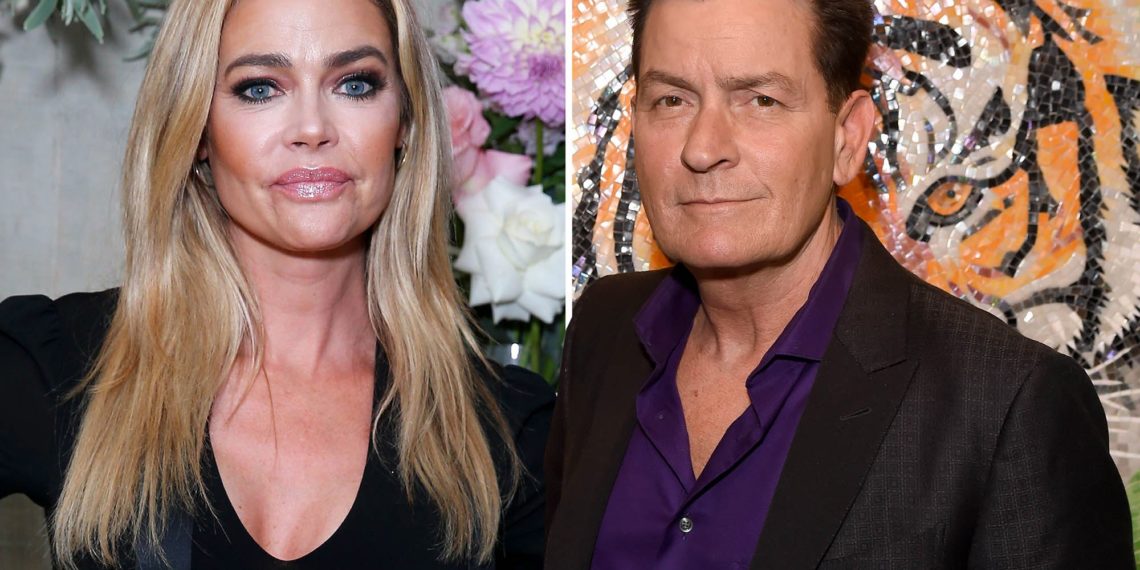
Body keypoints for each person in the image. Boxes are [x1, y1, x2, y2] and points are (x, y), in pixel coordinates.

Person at [544, 0, 1133, 567]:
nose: (702, 149)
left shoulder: (1008, 407)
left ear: (847, 138)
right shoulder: (603, 331)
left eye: (762, 100)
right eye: (671, 99)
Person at [0, 0, 553, 568]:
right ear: (198, 129)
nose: (312, 129)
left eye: (355, 84)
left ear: (405, 123)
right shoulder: (65, 365)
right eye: (260, 88)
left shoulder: (510, 434)